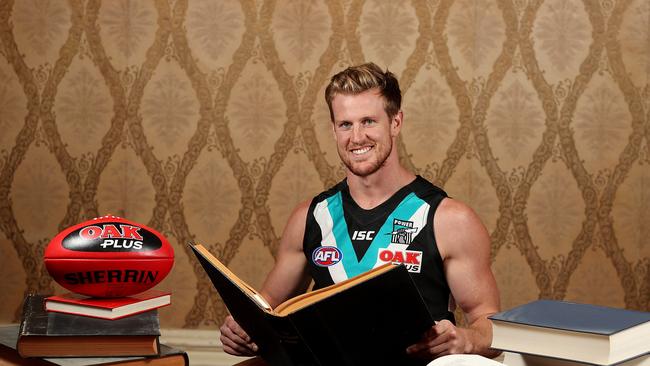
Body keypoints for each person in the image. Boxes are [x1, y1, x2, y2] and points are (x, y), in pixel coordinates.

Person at [219, 62, 501, 361]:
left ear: (395, 123)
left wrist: (467, 340)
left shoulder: (449, 219)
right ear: (334, 130)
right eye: (345, 124)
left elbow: (489, 323)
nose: (356, 137)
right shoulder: (312, 216)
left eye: (368, 121)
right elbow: (269, 306)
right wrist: (243, 329)